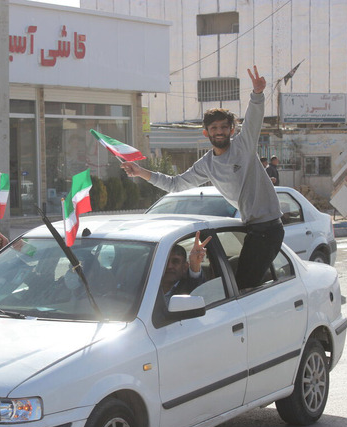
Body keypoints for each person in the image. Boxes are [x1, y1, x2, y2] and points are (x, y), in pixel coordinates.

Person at [121, 66, 284, 290]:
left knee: (242, 288)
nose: (220, 131)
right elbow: (175, 184)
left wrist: (257, 93)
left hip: (268, 229)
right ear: (206, 132)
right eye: (214, 128)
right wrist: (141, 172)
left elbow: (253, 119)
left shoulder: (243, 146)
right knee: (234, 286)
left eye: (224, 127)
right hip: (252, 229)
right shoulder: (206, 164)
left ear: (232, 130)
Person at [162, 232, 211, 303]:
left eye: (175, 261)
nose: (169, 266)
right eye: (165, 262)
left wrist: (195, 264)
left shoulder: (188, 289)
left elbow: (196, 284)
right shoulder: (149, 284)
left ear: (185, 267)